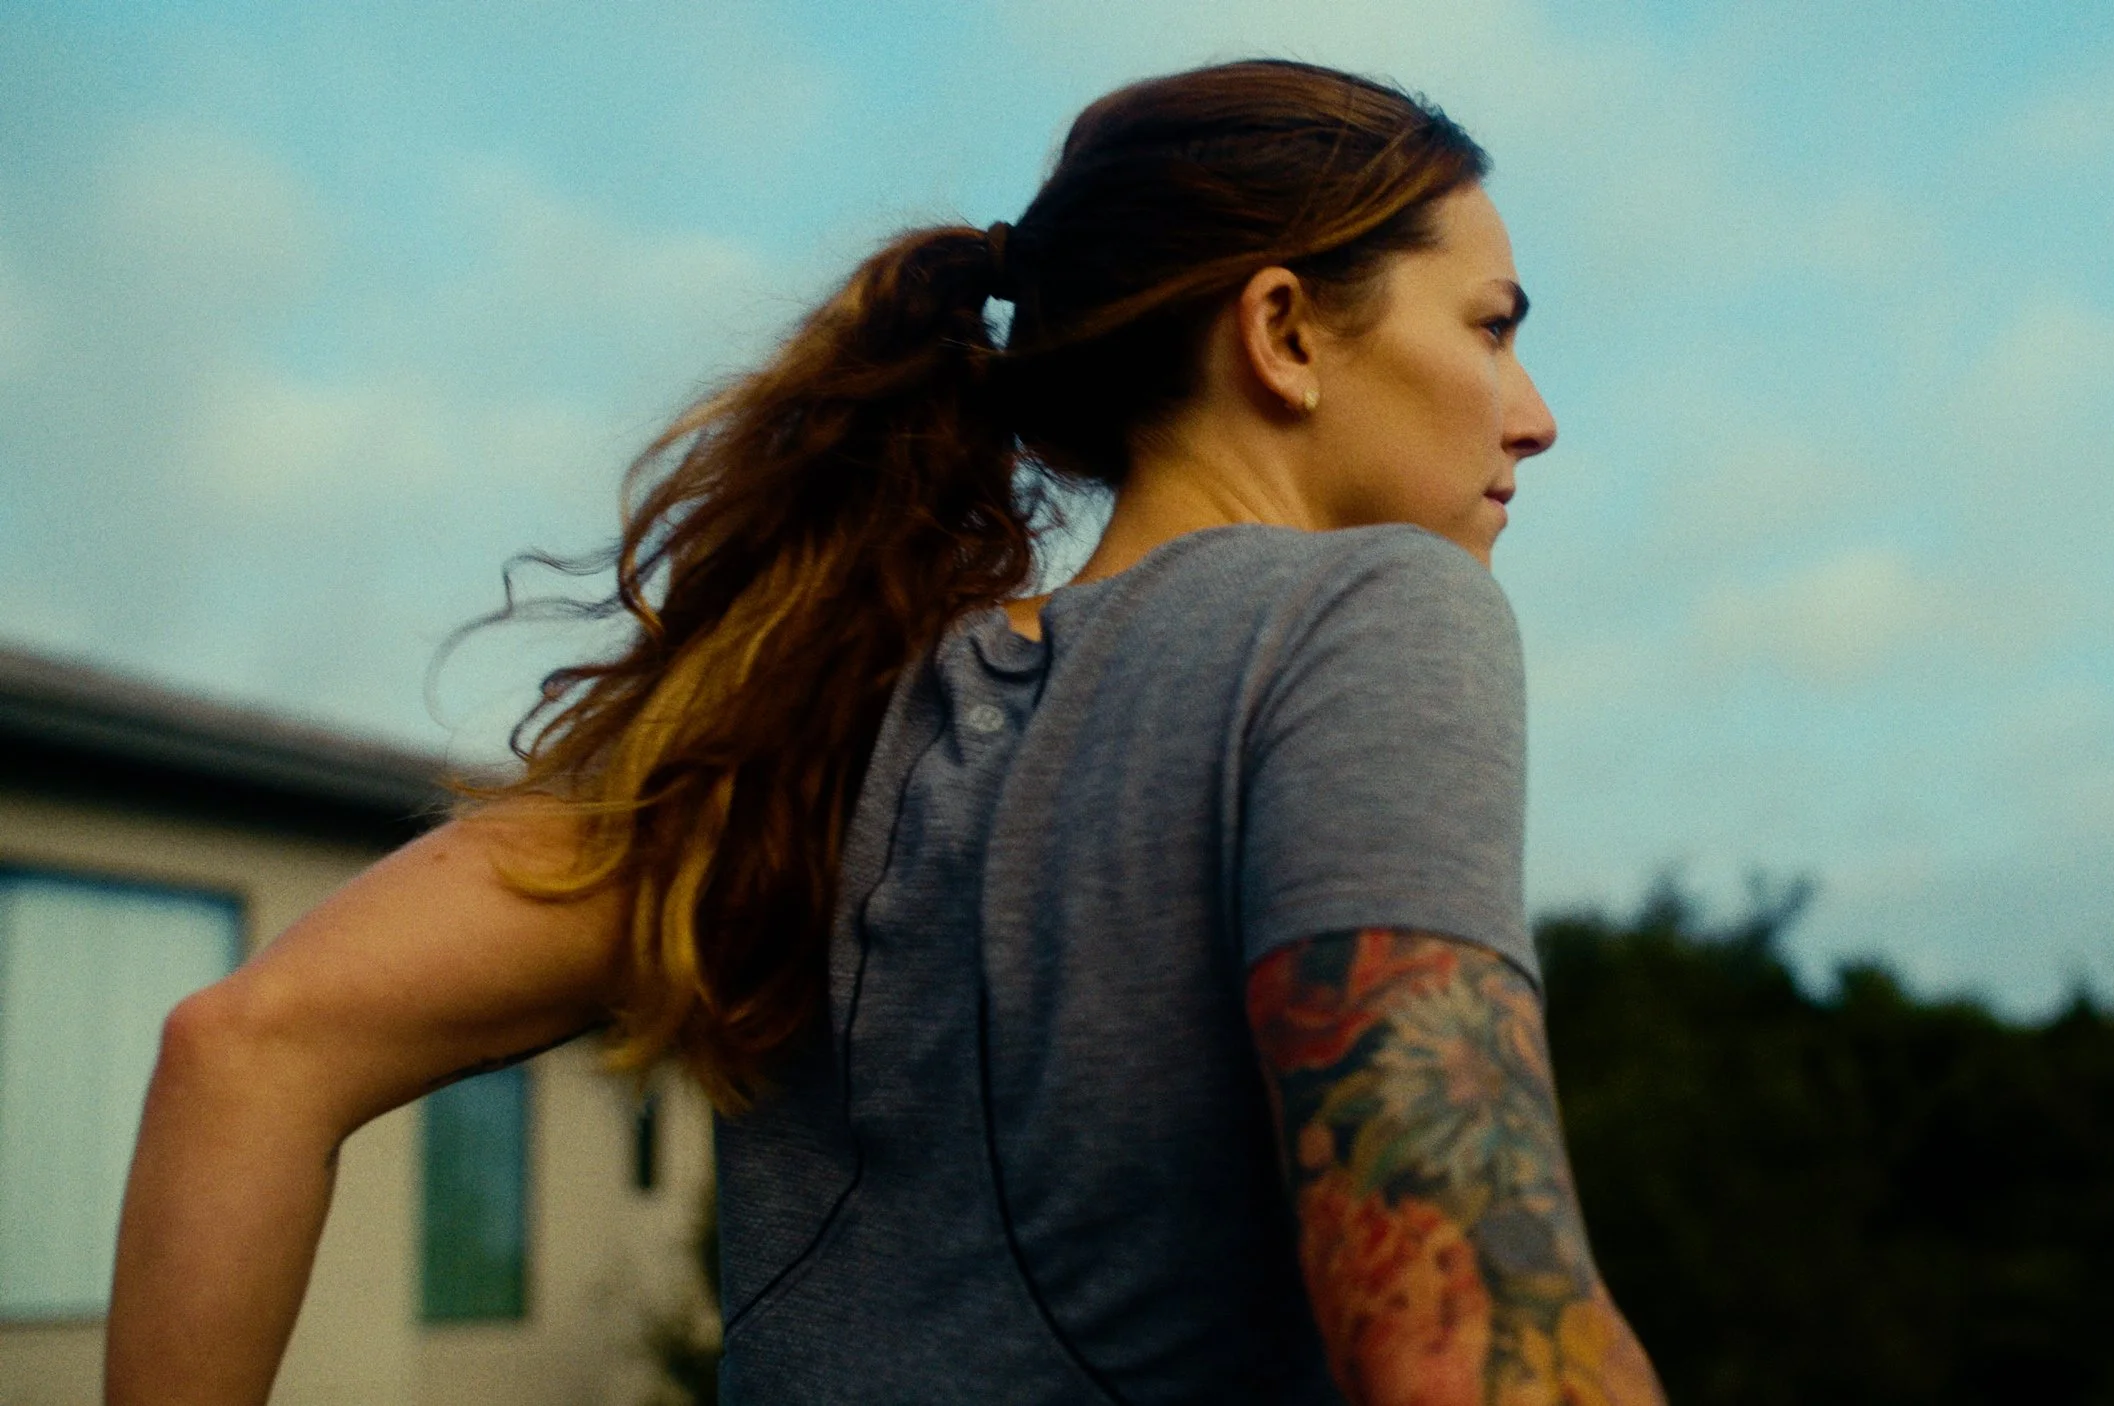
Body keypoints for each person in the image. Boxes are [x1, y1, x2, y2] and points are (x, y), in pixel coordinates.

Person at [104, 58, 1670, 1406]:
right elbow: (1457, 1319)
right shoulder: (1372, 615)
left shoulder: (804, 740)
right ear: (1284, 332)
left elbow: (242, 1045)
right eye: (1490, 325)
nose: (1531, 411)